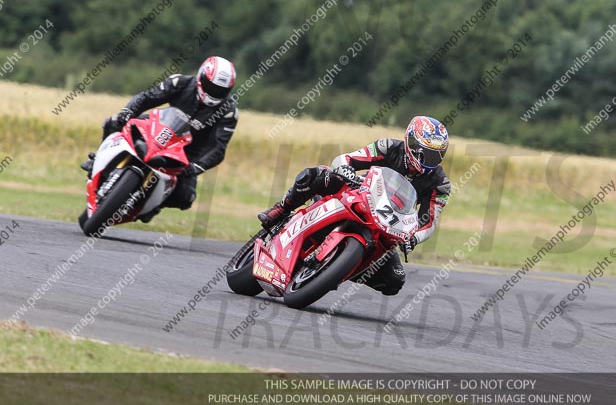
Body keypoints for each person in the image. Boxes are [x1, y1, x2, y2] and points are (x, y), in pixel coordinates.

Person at [257, 116, 451, 295]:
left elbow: (429, 222)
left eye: (435, 155)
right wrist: (345, 170)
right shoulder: (388, 147)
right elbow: (347, 158)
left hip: (388, 223)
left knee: (394, 280)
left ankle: (335, 270)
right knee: (317, 175)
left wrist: (413, 239)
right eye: (425, 152)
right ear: (412, 143)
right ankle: (281, 209)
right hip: (358, 193)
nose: (429, 160)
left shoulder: (440, 184)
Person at [81, 56, 238, 220]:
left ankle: (154, 205)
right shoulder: (180, 83)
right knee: (113, 122)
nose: (214, 92)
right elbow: (147, 97)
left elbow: (218, 148)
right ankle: (97, 160)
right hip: (157, 128)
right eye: (211, 87)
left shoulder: (228, 111)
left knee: (185, 198)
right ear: (201, 77)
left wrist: (197, 166)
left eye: (220, 90)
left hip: (187, 152)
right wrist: (128, 111)